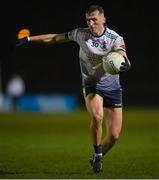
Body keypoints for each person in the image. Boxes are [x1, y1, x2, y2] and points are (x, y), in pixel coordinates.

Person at [16, 5, 131, 173]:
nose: (91, 23)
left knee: (114, 135)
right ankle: (98, 155)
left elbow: (125, 59)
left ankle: (98, 155)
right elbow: (54, 38)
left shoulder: (115, 39)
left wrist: (125, 65)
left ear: (103, 19)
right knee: (97, 116)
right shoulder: (80, 34)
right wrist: (28, 39)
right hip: (92, 85)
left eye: (94, 20)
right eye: (88, 20)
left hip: (113, 87)